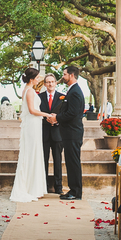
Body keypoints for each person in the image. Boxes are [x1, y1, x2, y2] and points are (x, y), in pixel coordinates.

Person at [10, 68, 51, 202]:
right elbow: (32, 110)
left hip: (34, 124)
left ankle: (34, 187)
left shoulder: (28, 90)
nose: (39, 79)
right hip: (32, 124)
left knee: (34, 153)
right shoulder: (29, 91)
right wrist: (47, 114)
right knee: (32, 153)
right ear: (32, 78)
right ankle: (30, 188)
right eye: (38, 77)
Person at [48, 65, 85, 200]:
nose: (62, 77)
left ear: (72, 75)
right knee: (70, 162)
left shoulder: (75, 92)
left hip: (72, 133)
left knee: (73, 162)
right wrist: (56, 116)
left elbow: (72, 113)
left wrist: (56, 118)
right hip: (69, 133)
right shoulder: (72, 90)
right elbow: (67, 111)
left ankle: (75, 192)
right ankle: (73, 190)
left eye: (64, 74)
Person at [39, 72, 64, 194]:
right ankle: (43, 187)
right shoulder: (39, 97)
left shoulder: (62, 97)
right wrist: (48, 118)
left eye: (52, 82)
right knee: (43, 160)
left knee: (58, 161)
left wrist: (56, 120)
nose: (50, 84)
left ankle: (58, 187)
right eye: (48, 82)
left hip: (57, 133)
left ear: (55, 83)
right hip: (44, 133)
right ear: (44, 84)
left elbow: (64, 114)